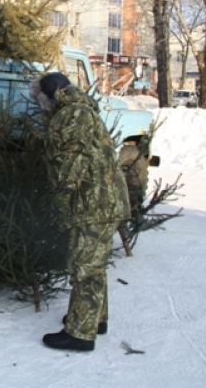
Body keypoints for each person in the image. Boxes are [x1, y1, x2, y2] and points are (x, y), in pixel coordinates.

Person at [30, 72, 131, 352]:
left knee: (84, 266)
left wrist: (60, 200)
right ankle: (94, 318)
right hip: (103, 201)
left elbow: (74, 161)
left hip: (92, 202)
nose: (40, 107)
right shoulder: (81, 109)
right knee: (94, 264)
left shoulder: (71, 115)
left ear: (51, 96)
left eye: (40, 100)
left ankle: (79, 334)